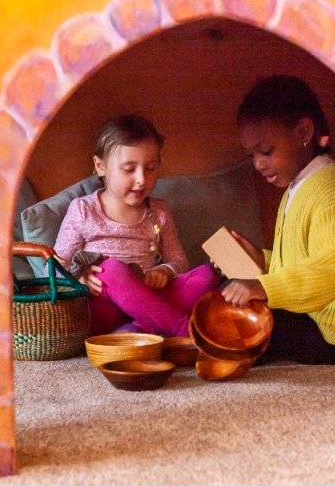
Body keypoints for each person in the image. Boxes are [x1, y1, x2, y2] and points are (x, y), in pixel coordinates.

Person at [219, 75, 335, 365]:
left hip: (330, 332)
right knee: (225, 296)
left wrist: (265, 287)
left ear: (303, 131)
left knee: (239, 323)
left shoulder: (332, 191)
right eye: (252, 155)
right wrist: (262, 261)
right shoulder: (299, 185)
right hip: (307, 316)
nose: (258, 163)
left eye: (266, 151)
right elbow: (302, 261)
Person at [55, 114, 220, 337]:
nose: (141, 179)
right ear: (100, 166)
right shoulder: (84, 210)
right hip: (101, 307)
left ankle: (136, 330)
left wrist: (165, 270)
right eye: (129, 169)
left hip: (149, 299)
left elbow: (179, 260)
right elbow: (55, 265)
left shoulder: (158, 211)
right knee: (111, 268)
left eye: (151, 168)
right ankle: (184, 330)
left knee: (206, 276)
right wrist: (80, 278)